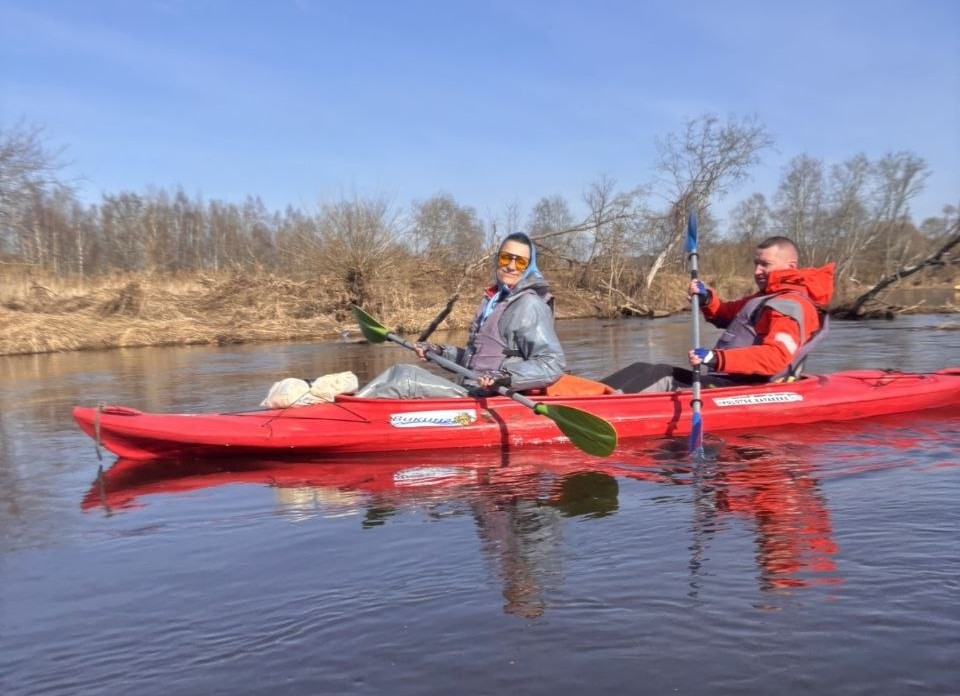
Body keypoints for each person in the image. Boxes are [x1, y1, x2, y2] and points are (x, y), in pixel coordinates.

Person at [602, 236, 835, 393]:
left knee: (662, 376)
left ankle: (598, 411)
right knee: (643, 367)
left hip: (747, 387)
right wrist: (706, 299)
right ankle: (586, 393)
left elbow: (775, 357)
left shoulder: (790, 305)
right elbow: (725, 314)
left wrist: (715, 358)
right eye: (756, 263)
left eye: (765, 264)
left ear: (790, 267)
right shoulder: (766, 297)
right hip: (731, 379)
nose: (757, 271)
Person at [356, 232, 566, 398]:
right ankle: (353, 407)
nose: (511, 266)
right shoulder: (495, 301)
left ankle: (352, 416)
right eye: (505, 258)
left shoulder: (530, 305)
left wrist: (504, 376)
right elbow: (474, 359)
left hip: (492, 397)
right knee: (401, 370)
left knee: (406, 379)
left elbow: (552, 363)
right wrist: (438, 351)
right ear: (497, 260)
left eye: (520, 262)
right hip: (471, 390)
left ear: (529, 267)